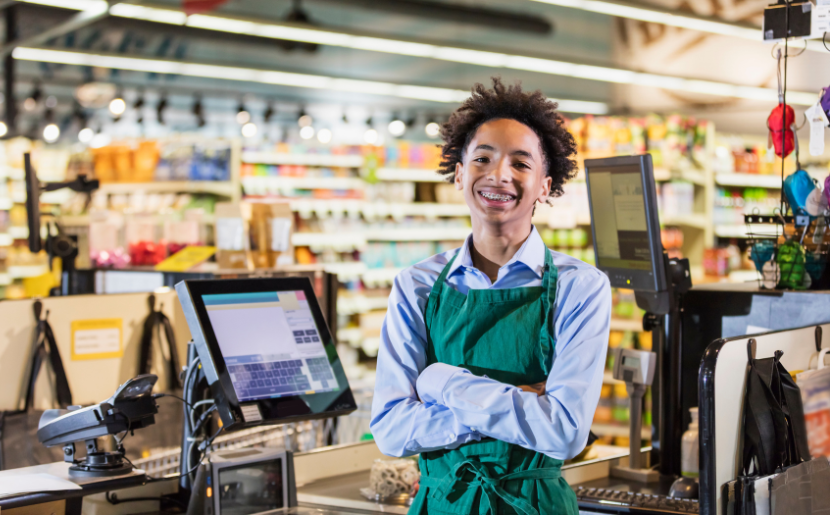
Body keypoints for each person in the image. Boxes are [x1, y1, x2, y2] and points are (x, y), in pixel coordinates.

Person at [370, 77, 612, 515]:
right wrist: (521, 403)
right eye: (483, 158)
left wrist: (441, 383)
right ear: (460, 174)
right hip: (441, 504)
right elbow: (390, 430)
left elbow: (564, 433)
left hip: (535, 506)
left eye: (521, 164)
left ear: (545, 185)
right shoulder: (417, 285)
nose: (499, 174)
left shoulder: (581, 287)